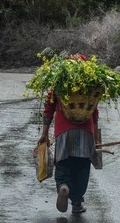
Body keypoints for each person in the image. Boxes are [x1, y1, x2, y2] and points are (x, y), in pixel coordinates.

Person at [38, 54, 100, 214]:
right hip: (85, 133)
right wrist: (97, 138)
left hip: (63, 133)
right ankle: (77, 203)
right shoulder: (90, 87)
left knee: (63, 164)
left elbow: (48, 109)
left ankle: (64, 186)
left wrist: (44, 133)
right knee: (82, 167)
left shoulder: (59, 85)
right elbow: (94, 112)